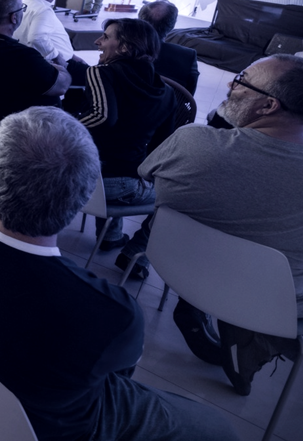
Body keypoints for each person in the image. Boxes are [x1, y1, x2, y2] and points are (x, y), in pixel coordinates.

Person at [0, 107, 240, 441]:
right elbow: (115, 377)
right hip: (61, 429)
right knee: (219, 429)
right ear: (80, 204)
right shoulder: (114, 314)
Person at [125, 54, 303, 396]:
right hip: (272, 307)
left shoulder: (192, 142)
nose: (230, 84)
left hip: (177, 269)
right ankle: (250, 340)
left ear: (269, 105)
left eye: (242, 80)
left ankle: (208, 314)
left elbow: (145, 174)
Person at [80, 19, 174, 261]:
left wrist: (60, 128)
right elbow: (162, 148)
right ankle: (135, 255)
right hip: (119, 184)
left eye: (105, 37)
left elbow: (102, 117)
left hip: (82, 177)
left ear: (125, 47)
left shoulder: (101, 73)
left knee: (109, 157)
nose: (97, 42)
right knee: (180, 197)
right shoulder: (168, 93)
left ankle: (112, 237)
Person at [13, 0, 88, 83]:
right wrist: (58, 58)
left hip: (39, 60)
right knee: (99, 77)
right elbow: (36, 38)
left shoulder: (21, 3)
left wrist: (72, 56)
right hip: (54, 64)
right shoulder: (43, 10)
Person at [137, 0, 199, 94]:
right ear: (172, 26)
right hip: (167, 104)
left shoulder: (122, 47)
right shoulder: (187, 57)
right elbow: (188, 95)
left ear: (139, 20)